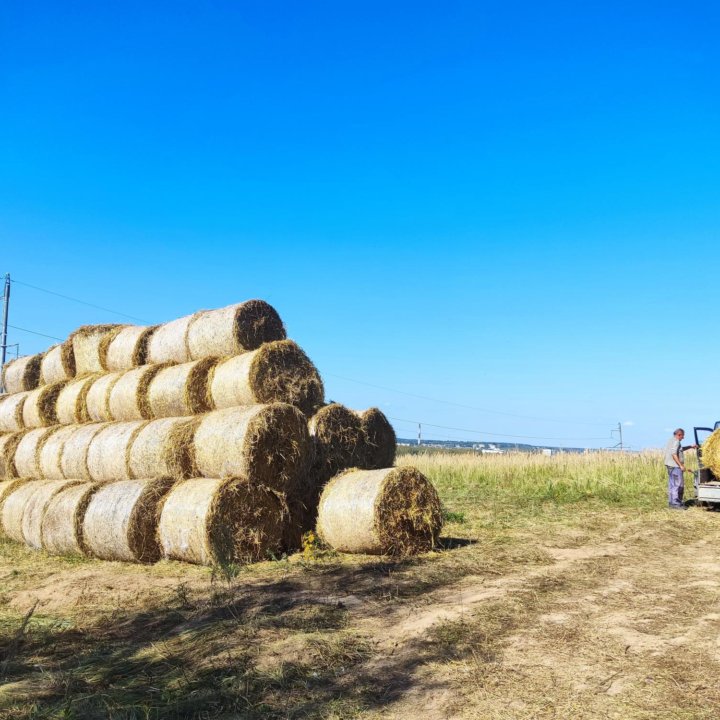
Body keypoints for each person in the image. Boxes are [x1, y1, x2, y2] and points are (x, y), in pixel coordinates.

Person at [664, 428, 697, 510]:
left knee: (672, 485)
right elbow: (674, 454)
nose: (683, 437)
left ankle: (672, 502)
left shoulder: (671, 440)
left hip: (671, 466)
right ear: (679, 434)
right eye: (683, 435)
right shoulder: (676, 441)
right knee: (678, 485)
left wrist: (690, 447)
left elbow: (679, 450)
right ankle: (676, 504)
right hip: (675, 467)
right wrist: (680, 465)